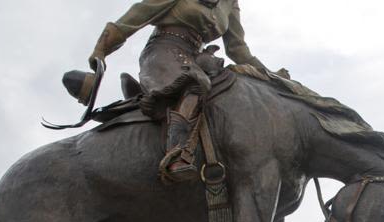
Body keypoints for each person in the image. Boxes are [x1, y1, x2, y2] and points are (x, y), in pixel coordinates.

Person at [84, 0, 274, 183]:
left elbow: (237, 48)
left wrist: (272, 76)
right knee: (197, 83)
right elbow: (140, 12)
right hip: (163, 51)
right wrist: (102, 49)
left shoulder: (230, 2)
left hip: (196, 58)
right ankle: (177, 153)